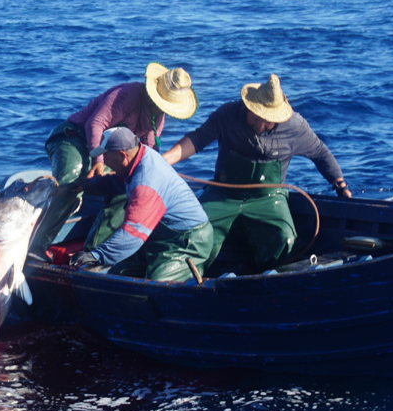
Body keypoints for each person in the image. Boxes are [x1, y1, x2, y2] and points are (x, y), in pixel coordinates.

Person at [162, 73, 351, 272]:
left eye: (267, 121)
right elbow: (197, 139)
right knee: (194, 232)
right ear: (248, 107)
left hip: (268, 199)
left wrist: (340, 185)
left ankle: (271, 281)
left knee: (284, 237)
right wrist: (165, 160)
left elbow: (321, 154)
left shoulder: (295, 126)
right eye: (255, 118)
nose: (260, 126)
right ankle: (188, 281)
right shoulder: (228, 114)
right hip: (223, 195)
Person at [31, 62, 198, 255]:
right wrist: (98, 162)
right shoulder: (128, 94)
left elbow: (146, 154)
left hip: (108, 154)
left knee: (128, 186)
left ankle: (95, 252)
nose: (159, 108)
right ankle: (37, 245)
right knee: (72, 178)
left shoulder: (158, 119)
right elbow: (95, 124)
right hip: (74, 138)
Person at [67, 127, 214, 282]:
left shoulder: (146, 182)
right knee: (117, 273)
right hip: (158, 235)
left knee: (157, 285)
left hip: (187, 240)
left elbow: (133, 233)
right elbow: (117, 182)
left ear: (122, 156)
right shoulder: (140, 155)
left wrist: (95, 256)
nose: (105, 162)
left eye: (106, 158)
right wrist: (85, 185)